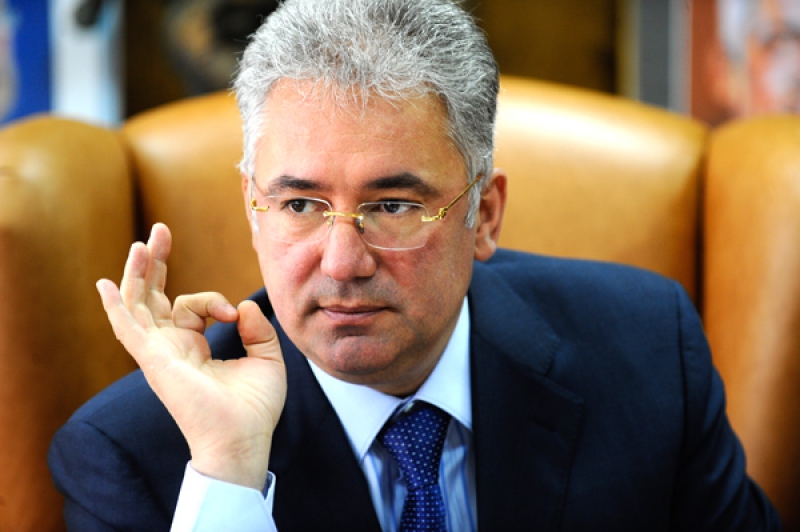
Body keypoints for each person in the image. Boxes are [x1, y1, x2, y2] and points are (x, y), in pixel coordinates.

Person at [48, 0, 783, 530]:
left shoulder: (649, 353)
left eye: (394, 206)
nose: (342, 262)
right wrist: (230, 473)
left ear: (483, 215)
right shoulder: (137, 453)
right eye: (300, 204)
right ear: (252, 208)